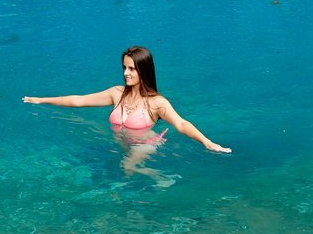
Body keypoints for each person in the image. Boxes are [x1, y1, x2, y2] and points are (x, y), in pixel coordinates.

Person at [23, 46, 231, 180]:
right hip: (122, 143)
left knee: (126, 168)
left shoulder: (156, 103)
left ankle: (161, 178)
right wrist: (42, 100)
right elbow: (79, 101)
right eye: (124, 67)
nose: (126, 73)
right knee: (118, 167)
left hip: (145, 143)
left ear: (143, 70)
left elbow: (181, 124)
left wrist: (207, 142)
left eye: (131, 69)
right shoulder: (117, 93)